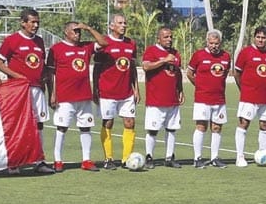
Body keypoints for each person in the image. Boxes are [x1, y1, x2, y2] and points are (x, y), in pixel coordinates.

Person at [0, 8, 54, 174]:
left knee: (39, 124)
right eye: (32, 22)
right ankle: (13, 162)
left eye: (37, 22)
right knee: (16, 125)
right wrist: (18, 77)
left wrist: (43, 80)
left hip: (37, 89)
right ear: (23, 23)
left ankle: (39, 161)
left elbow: (41, 63)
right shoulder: (11, 40)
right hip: (18, 91)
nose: (35, 25)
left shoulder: (40, 41)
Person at [45, 21, 108, 172]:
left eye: (79, 31)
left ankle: (86, 160)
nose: (78, 34)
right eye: (75, 31)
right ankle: (58, 160)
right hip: (65, 96)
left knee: (85, 127)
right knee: (62, 128)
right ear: (66, 32)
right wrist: (52, 93)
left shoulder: (85, 47)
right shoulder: (56, 49)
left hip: (84, 96)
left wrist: (88, 27)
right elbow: (50, 73)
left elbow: (104, 43)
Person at [94, 14, 140, 169]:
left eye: (125, 23)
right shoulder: (104, 43)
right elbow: (97, 68)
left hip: (126, 92)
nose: (124, 25)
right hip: (108, 91)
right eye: (120, 23)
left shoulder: (131, 44)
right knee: (108, 122)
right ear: (111, 26)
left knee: (130, 122)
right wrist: (95, 89)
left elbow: (132, 67)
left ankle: (127, 159)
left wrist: (136, 88)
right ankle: (108, 159)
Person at [233, 26, 266, 167]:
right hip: (249, 97)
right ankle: (240, 156)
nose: (260, 40)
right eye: (258, 37)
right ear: (254, 37)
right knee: (244, 124)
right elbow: (237, 73)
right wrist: (244, 89)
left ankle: (263, 154)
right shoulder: (246, 52)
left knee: (265, 125)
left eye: (263, 38)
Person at [187, 29, 230, 168]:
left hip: (219, 99)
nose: (214, 46)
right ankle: (197, 158)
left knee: (217, 128)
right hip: (202, 99)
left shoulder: (226, 56)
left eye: (216, 43)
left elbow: (225, 73)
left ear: (220, 43)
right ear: (207, 42)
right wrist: (200, 86)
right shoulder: (198, 55)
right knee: (201, 127)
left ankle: (214, 158)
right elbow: (189, 73)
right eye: (211, 43)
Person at [142, 27, 184, 168]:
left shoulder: (176, 53)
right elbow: (146, 67)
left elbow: (177, 73)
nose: (169, 39)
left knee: (172, 129)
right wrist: (164, 60)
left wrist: (181, 90)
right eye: (166, 37)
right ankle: (149, 157)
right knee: (153, 130)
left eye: (170, 36)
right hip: (156, 100)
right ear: (158, 39)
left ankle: (169, 157)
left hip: (172, 99)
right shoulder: (151, 51)